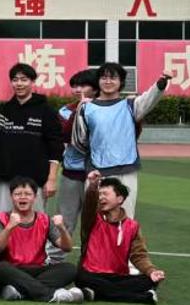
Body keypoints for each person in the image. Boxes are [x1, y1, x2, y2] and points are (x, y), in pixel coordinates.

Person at [72, 62, 170, 218]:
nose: (108, 81)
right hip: (97, 172)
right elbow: (79, 140)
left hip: (126, 171)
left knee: (125, 218)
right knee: (95, 220)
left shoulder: (130, 105)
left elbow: (148, 99)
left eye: (113, 78)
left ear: (121, 82)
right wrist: (93, 160)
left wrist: (161, 83)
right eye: (104, 77)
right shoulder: (86, 108)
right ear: (98, 81)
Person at [0, 63, 63, 215]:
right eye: (15, 80)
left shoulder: (45, 111)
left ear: (32, 82)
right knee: (4, 220)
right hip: (6, 177)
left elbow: (56, 147)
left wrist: (51, 179)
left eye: (24, 79)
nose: (19, 84)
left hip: (35, 179)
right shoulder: (5, 109)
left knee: (35, 222)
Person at [76, 172, 166, 304]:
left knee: (150, 279)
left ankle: (96, 293)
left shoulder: (132, 226)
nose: (101, 198)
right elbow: (89, 205)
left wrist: (151, 271)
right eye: (99, 194)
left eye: (105, 194)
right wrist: (93, 186)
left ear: (120, 199)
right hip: (92, 274)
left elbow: (139, 255)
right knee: (80, 276)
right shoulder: (92, 219)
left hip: (118, 276)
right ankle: (142, 297)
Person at [0, 177, 82, 303]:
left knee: (69, 269)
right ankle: (49, 294)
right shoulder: (1, 219)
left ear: (34, 197)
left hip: (38, 269)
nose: (23, 197)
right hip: (12, 269)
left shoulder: (44, 220)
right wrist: (9, 227)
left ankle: (20, 291)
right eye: (18, 194)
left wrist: (62, 228)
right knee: (0, 267)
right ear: (11, 196)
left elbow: (67, 247)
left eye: (28, 194)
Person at [57, 69, 99, 234]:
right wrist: (78, 111)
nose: (77, 89)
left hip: (98, 173)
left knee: (97, 221)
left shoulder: (105, 110)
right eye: (74, 86)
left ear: (95, 89)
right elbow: (65, 136)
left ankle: (94, 251)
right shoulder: (65, 111)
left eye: (82, 86)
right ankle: (57, 250)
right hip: (72, 173)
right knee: (64, 220)